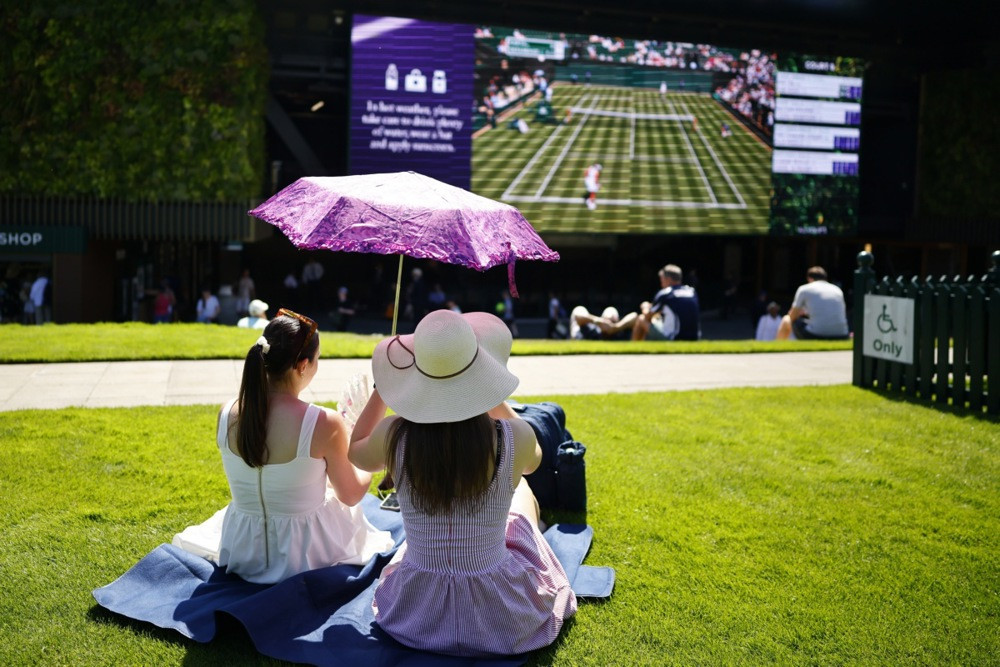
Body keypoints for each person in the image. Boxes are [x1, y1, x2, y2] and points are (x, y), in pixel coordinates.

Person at [348, 310, 577, 656]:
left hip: (415, 608)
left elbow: (356, 452)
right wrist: (488, 392)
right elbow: (536, 463)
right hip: (500, 609)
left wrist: (384, 390)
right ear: (480, 367)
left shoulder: (395, 435)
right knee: (522, 492)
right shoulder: (515, 436)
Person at [173, 309, 393, 583]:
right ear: (302, 365)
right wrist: (363, 451)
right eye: (317, 360)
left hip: (241, 549)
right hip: (303, 556)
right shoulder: (324, 422)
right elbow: (351, 495)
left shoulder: (226, 412)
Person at [776, 266, 849, 340]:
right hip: (842, 334)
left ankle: (779, 347)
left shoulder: (804, 289)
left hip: (816, 335)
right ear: (825, 278)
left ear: (810, 279)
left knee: (786, 319)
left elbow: (792, 316)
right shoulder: (837, 290)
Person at [631, 264, 700, 341]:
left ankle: (635, 348)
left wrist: (645, 306)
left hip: (674, 338)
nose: (661, 282)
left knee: (641, 319)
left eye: (662, 279)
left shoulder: (665, 293)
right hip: (694, 338)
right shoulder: (691, 292)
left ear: (668, 279)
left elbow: (647, 316)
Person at [569, 305, 636, 340]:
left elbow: (634, 316)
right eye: (607, 321)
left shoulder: (619, 334)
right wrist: (598, 321)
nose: (609, 325)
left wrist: (617, 327)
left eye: (612, 322)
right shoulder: (593, 331)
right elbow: (577, 314)